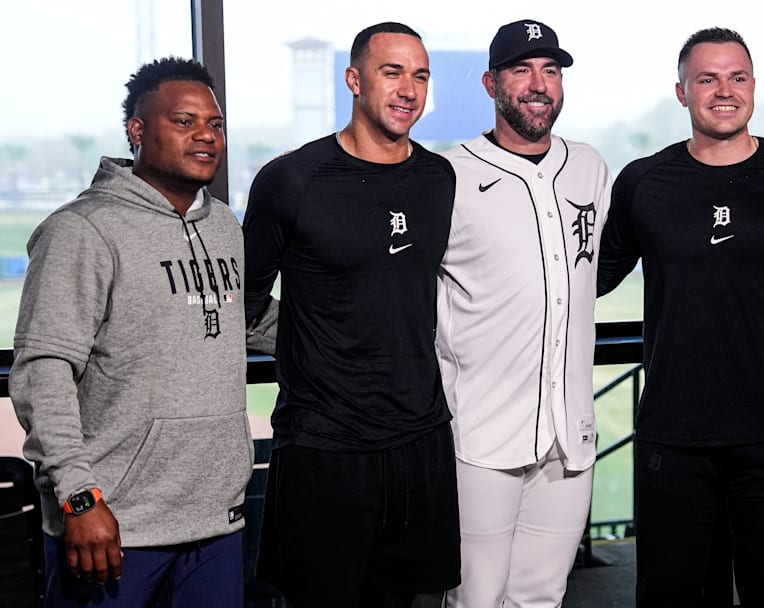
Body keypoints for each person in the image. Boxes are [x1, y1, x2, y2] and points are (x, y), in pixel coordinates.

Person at [597, 27, 764, 607]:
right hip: (674, 434)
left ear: (754, 86)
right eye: (707, 79)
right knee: (669, 597)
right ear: (682, 92)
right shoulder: (643, 181)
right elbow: (592, 277)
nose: (724, 91)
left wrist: (746, 279)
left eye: (737, 77)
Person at [8, 57, 251, 607]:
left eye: (214, 124)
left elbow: (245, 319)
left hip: (216, 518)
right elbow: (43, 372)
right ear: (137, 131)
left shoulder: (224, 225)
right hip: (113, 524)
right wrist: (79, 498)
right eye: (184, 122)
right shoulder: (81, 231)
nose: (205, 135)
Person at [242, 22, 459, 607]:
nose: (408, 89)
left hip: (419, 439)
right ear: (354, 80)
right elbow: (244, 303)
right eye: (392, 72)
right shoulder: (291, 180)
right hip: (325, 447)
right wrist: (320, 346)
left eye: (420, 76)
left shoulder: (439, 179)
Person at [435, 19, 612, 607]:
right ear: (491, 84)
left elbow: (592, 271)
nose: (539, 84)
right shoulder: (448, 173)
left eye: (550, 70)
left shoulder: (589, 166)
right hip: (480, 431)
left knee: (542, 596)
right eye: (521, 70)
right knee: (475, 599)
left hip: (569, 431)